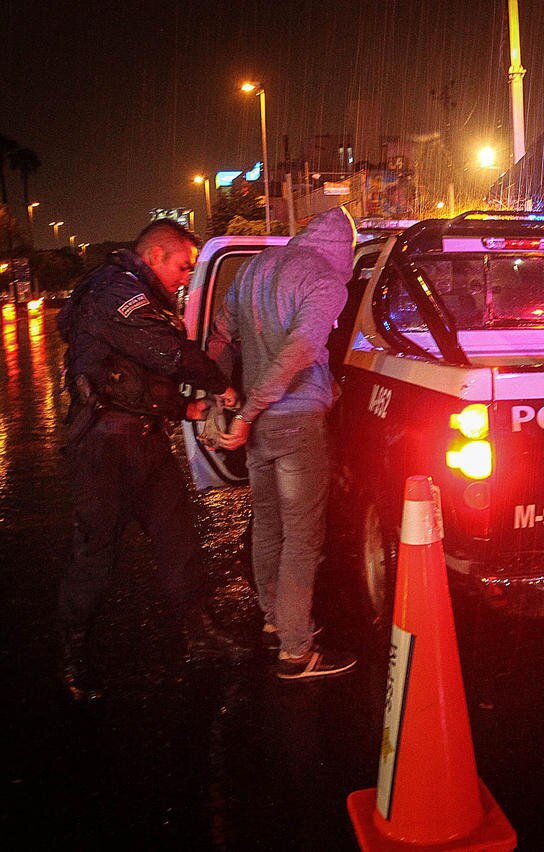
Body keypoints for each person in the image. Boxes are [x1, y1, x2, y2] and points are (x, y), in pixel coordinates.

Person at [57, 219, 242, 704]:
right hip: (104, 449)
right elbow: (166, 354)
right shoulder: (115, 292)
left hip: (143, 439)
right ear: (155, 256)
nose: (186, 277)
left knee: (178, 539)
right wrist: (221, 386)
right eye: (183, 267)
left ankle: (199, 633)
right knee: (95, 555)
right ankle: (74, 655)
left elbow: (130, 379)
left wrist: (183, 409)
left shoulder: (138, 294)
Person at [207, 206, 358, 680]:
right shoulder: (326, 282)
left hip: (259, 425)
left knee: (268, 525)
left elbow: (218, 336)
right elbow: (301, 349)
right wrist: (248, 413)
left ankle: (274, 617)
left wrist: (223, 398)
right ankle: (298, 651)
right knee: (303, 539)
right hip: (294, 423)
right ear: (346, 252)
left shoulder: (254, 267)